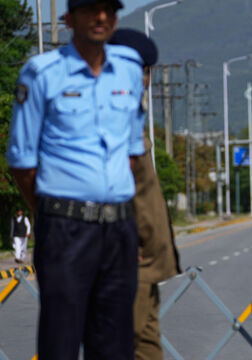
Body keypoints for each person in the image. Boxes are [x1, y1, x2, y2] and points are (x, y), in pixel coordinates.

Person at [6, 0, 145, 358]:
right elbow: (22, 163)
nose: (101, 18)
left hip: (119, 228)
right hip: (66, 228)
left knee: (115, 345)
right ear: (68, 18)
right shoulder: (42, 73)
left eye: (109, 11)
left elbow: (131, 153)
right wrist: (55, 210)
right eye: (89, 9)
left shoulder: (128, 70)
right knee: (61, 341)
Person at [109, 28, 181, 360]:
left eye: (146, 71)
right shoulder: (108, 118)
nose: (144, 79)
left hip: (147, 259)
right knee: (130, 343)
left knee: (147, 343)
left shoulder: (131, 117)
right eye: (135, 70)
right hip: (127, 254)